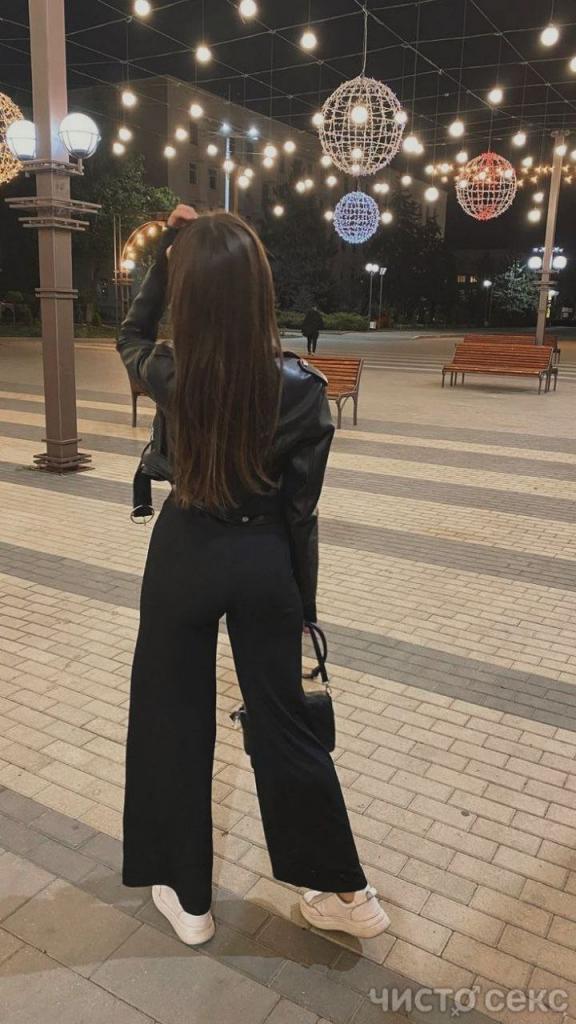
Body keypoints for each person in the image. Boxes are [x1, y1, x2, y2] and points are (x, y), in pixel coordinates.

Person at [117, 204, 390, 947]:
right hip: (264, 553)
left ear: (189, 293)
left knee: (171, 714)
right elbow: (302, 511)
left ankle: (189, 900)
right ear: (260, 290)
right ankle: (346, 893)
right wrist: (303, 605)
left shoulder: (170, 371)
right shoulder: (301, 387)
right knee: (284, 720)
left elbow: (131, 334)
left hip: (185, 547)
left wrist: (167, 252)